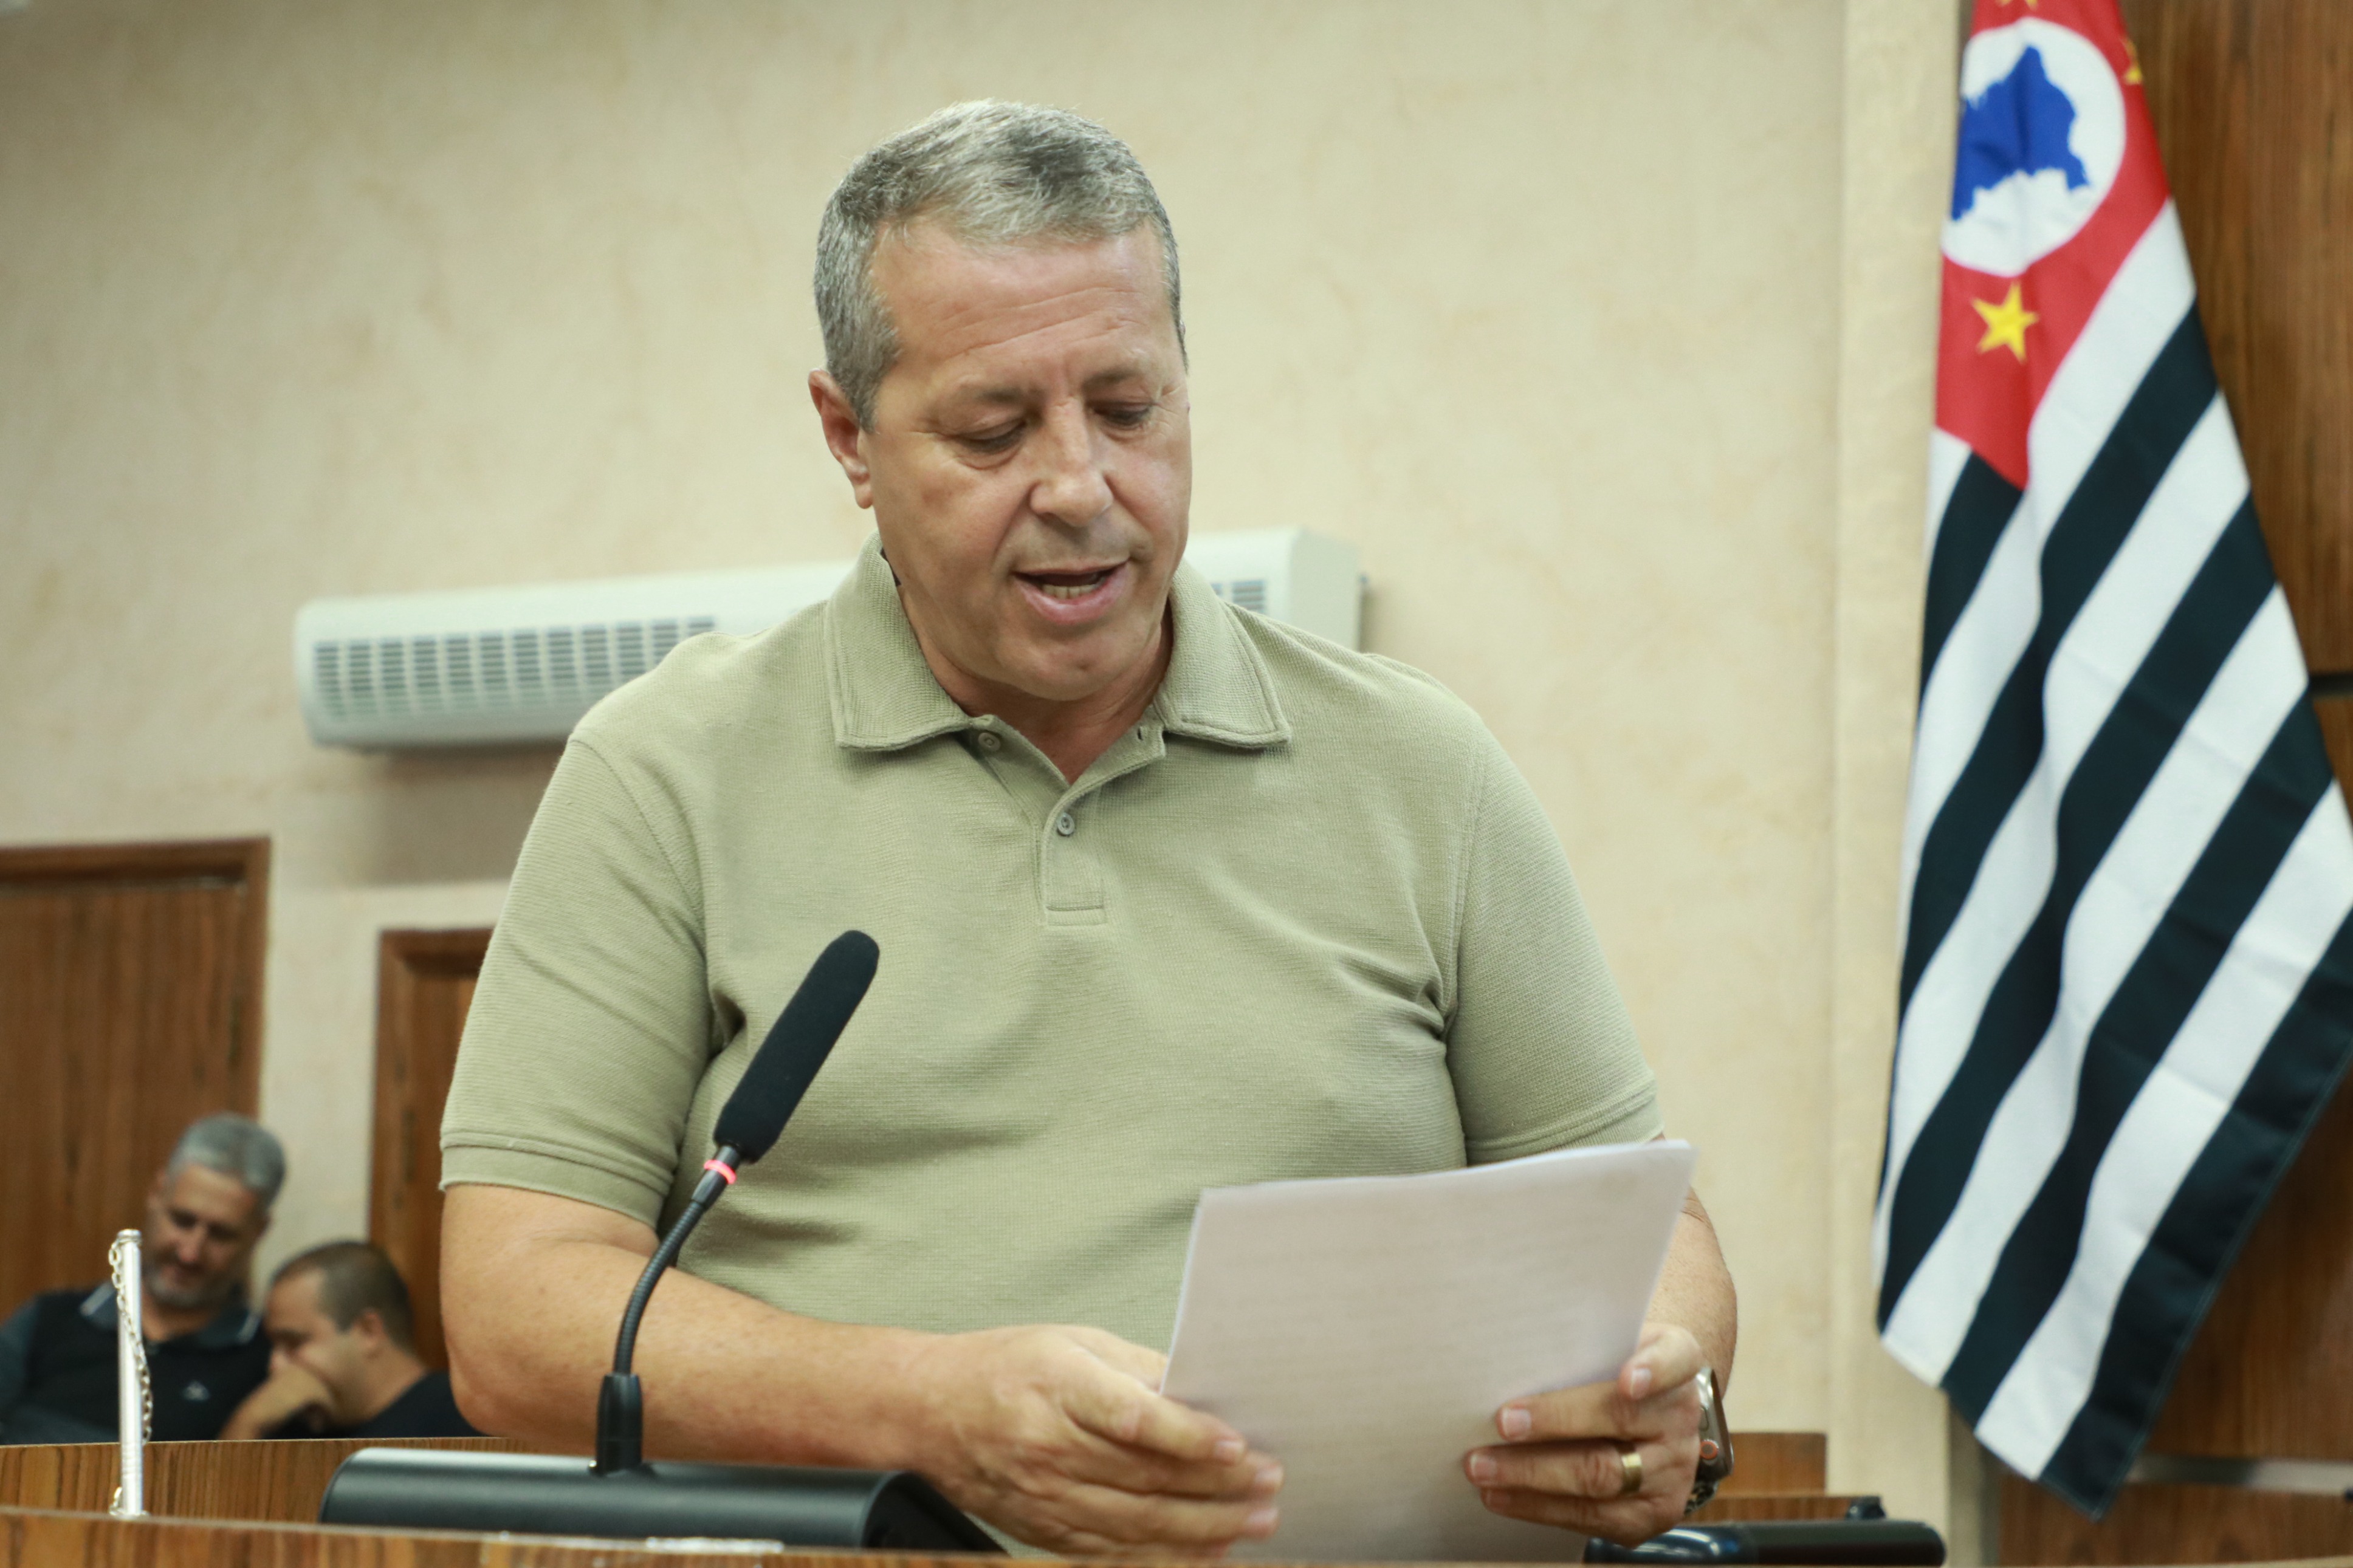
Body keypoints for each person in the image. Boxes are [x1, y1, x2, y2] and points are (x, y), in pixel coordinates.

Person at [439, 100, 1736, 1554]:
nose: (1080, 487)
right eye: (993, 430)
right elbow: (516, 1311)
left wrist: (1665, 1388)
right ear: (849, 436)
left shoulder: (1423, 766)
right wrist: (926, 1408)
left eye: (1129, 409)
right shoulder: (664, 771)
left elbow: (1649, 1231)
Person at [0, 1114, 282, 1445]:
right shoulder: (48, 1321)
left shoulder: (269, 1361)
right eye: (182, 1220)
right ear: (157, 1192)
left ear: (259, 1231)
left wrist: (250, 1422)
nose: (190, 1253)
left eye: (221, 1235)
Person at [220, 1241, 477, 1440]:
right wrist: (250, 1422)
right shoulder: (296, 1422)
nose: (275, 1365)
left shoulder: (465, 1419)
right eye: (275, 1345)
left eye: (294, 1343)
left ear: (368, 1332)